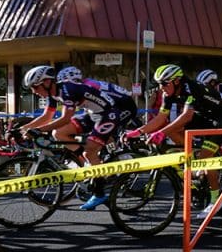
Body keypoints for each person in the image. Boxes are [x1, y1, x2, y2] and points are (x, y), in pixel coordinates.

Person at [21, 65, 140, 210]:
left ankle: (99, 192)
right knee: (58, 133)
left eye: (35, 87)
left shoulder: (67, 89)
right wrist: (24, 128)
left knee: (90, 150)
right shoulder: (52, 93)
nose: (34, 92)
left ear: (46, 82)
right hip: (94, 113)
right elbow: (47, 116)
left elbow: (65, 118)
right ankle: (85, 164)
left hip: (111, 113)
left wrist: (38, 130)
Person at [125, 64, 222, 218]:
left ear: (176, 81)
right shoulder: (167, 94)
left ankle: (216, 200)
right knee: (174, 130)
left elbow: (186, 117)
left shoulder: (191, 88)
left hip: (221, 117)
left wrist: (161, 133)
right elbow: (160, 118)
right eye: (159, 84)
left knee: (206, 157)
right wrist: (138, 131)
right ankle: (191, 156)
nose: (161, 87)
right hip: (203, 115)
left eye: (164, 83)